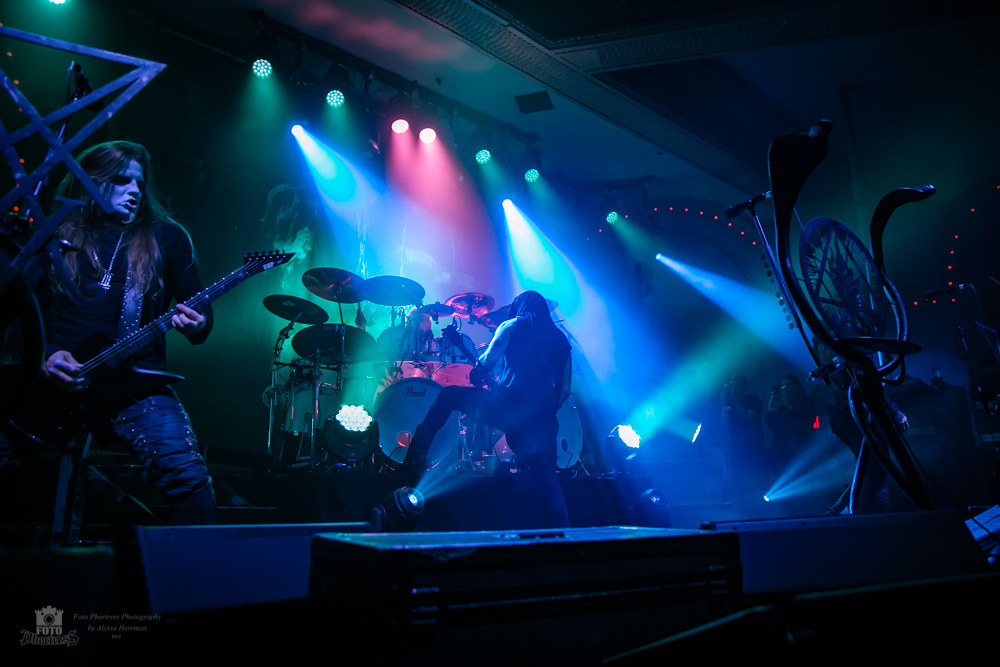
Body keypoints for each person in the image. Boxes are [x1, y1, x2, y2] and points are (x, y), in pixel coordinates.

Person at [2, 140, 218, 526]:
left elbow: (198, 308)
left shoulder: (167, 238)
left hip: (133, 384)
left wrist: (199, 323)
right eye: (122, 180)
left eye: (139, 182)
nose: (135, 190)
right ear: (93, 182)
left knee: (188, 481)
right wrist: (49, 356)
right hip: (52, 380)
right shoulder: (56, 236)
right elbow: (21, 318)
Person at [407, 291, 571, 528]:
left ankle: (417, 454)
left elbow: (488, 361)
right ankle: (565, 538)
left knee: (449, 395)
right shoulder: (562, 339)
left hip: (509, 405)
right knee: (548, 484)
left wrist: (477, 373)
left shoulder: (512, 325)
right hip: (542, 419)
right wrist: (541, 412)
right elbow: (565, 390)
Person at [810, 338, 908, 514]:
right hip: (856, 421)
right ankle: (855, 514)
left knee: (870, 470)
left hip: (850, 422)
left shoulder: (827, 356)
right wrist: (895, 412)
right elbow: (865, 389)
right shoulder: (834, 356)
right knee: (873, 471)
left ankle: (841, 509)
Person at [720, 374, 768, 506]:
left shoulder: (753, 399)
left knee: (758, 486)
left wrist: (736, 401)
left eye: (736, 383)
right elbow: (725, 424)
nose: (733, 387)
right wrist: (723, 404)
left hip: (755, 450)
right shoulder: (729, 403)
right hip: (737, 451)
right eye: (731, 383)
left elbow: (749, 419)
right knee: (740, 487)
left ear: (744, 385)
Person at [765, 373, 816, 478]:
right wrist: (771, 409)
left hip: (801, 450)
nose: (785, 388)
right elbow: (771, 425)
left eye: (788, 385)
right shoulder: (780, 406)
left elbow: (806, 423)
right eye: (782, 385)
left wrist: (789, 406)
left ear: (796, 387)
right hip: (781, 452)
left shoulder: (806, 403)